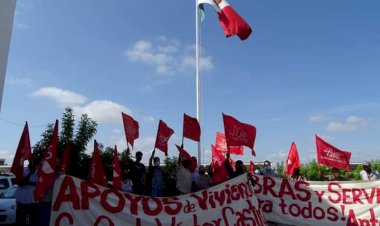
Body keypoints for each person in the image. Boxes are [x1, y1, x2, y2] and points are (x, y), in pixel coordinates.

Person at [16, 159, 38, 226]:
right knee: (21, 221)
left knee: (33, 221)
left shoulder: (39, 171)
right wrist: (30, 174)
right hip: (22, 202)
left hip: (33, 202)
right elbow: (20, 183)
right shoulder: (23, 170)